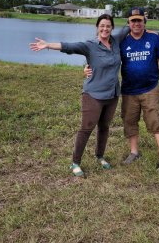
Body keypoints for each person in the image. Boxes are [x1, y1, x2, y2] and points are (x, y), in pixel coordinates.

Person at [29, 14, 129, 177]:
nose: (105, 29)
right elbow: (68, 46)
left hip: (112, 94)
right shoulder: (89, 45)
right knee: (86, 128)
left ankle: (100, 156)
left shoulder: (116, 40)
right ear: (97, 27)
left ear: (112, 28)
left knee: (104, 127)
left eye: (108, 26)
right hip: (93, 94)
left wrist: (143, 21)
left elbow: (129, 26)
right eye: (102, 26)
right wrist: (47, 45)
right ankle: (75, 162)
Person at [85, 7, 159, 173]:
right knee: (129, 122)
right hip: (128, 91)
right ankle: (134, 152)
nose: (136, 23)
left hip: (150, 89)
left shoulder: (154, 38)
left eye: (139, 20)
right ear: (129, 23)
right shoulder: (121, 41)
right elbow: (101, 53)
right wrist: (87, 67)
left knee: (156, 121)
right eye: (133, 21)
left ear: (144, 22)